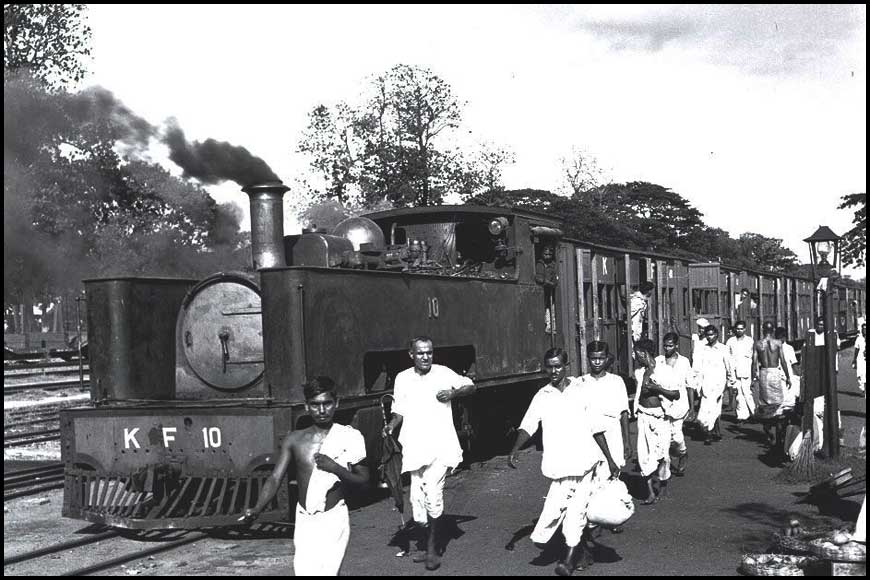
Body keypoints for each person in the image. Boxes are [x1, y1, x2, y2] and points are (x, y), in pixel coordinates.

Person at [239, 377, 369, 576]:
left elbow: (364, 480)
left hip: (333, 518)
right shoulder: (295, 439)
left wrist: (335, 468)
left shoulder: (349, 436)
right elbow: (275, 478)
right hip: (304, 520)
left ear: (336, 404)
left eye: (327, 403)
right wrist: (256, 509)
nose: (322, 410)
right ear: (307, 407)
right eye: (316, 405)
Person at [509, 348, 619, 576]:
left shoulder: (581, 390)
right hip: (559, 465)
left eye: (558, 365)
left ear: (566, 366)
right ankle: (581, 553)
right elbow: (529, 424)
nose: (553, 371)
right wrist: (515, 449)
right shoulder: (542, 395)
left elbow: (596, 427)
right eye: (549, 366)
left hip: (584, 462)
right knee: (552, 514)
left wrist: (610, 459)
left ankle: (567, 562)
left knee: (576, 513)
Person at [382, 336, 476, 571]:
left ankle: (433, 550)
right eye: (421, 353)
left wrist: (453, 394)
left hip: (441, 447)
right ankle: (429, 540)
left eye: (429, 352)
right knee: (418, 505)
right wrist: (391, 426)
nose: (426, 357)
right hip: (415, 447)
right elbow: (399, 411)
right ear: (411, 355)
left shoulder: (443, 373)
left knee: (433, 494)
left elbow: (471, 386)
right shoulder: (403, 379)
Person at [632, 338, 680, 504]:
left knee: (662, 454)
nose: (634, 356)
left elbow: (676, 394)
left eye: (636, 352)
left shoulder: (665, 371)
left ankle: (664, 483)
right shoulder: (639, 372)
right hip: (644, 417)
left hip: (660, 418)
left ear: (643, 353)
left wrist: (657, 388)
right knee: (644, 455)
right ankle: (650, 492)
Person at [656, 332, 693, 476]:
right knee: (664, 436)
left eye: (670, 346)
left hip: (680, 403)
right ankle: (665, 466)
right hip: (662, 403)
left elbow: (690, 384)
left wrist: (692, 408)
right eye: (665, 346)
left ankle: (683, 453)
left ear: (676, 346)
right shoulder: (658, 361)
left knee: (676, 435)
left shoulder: (684, 362)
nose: (667, 348)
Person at [753, 321, 792, 455]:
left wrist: (754, 376)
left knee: (765, 403)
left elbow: (754, 362)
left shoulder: (758, 344)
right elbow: (783, 361)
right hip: (775, 372)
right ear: (773, 329)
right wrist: (788, 377)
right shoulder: (778, 343)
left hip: (764, 372)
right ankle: (778, 430)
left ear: (763, 329)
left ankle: (768, 428)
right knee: (778, 403)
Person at [693, 324, 732, 445]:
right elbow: (696, 368)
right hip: (705, 383)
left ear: (717, 335)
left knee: (715, 408)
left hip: (719, 383)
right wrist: (696, 384)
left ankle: (710, 433)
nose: (710, 337)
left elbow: (729, 366)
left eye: (712, 335)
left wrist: (730, 383)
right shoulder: (701, 349)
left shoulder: (723, 349)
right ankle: (712, 431)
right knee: (706, 409)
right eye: (708, 335)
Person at [726, 321, 756, 422]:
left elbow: (753, 358)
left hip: (746, 370)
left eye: (741, 329)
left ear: (745, 329)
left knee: (747, 393)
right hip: (734, 370)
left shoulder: (749, 341)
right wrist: (729, 372)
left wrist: (754, 373)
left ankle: (754, 413)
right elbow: (728, 357)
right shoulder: (730, 341)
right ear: (735, 329)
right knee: (739, 394)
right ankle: (742, 416)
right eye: (737, 329)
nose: (739, 331)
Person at [535, 245, 558, 333]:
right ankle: (544, 325)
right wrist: (546, 281)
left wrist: (552, 283)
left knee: (550, 308)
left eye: (549, 254)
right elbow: (537, 277)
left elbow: (555, 279)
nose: (547, 256)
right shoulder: (538, 264)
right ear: (542, 254)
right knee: (543, 308)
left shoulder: (553, 265)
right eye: (545, 254)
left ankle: (551, 326)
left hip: (550, 290)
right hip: (540, 290)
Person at [851, 321, 866, 448]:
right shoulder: (859, 339)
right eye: (864, 329)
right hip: (861, 361)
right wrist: (854, 360)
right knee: (860, 377)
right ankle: (863, 388)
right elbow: (856, 350)